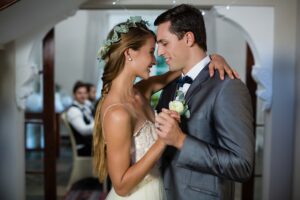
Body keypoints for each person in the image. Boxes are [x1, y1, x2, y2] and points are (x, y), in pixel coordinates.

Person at [93, 16, 237, 199]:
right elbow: (121, 186)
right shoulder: (117, 113)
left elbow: (181, 69)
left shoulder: (141, 91)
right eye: (151, 51)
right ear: (129, 53)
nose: (155, 60)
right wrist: (163, 140)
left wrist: (214, 58)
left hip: (163, 187)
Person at [154, 4, 255, 200]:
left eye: (164, 43)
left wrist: (181, 141)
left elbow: (242, 166)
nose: (159, 52)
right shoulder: (170, 85)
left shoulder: (228, 88)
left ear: (189, 38)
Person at [67, 81, 94, 156]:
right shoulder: (74, 110)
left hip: (89, 143)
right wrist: (99, 125)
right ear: (74, 94)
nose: (83, 96)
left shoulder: (85, 106)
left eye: (85, 93)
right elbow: (83, 130)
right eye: (79, 93)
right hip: (83, 147)